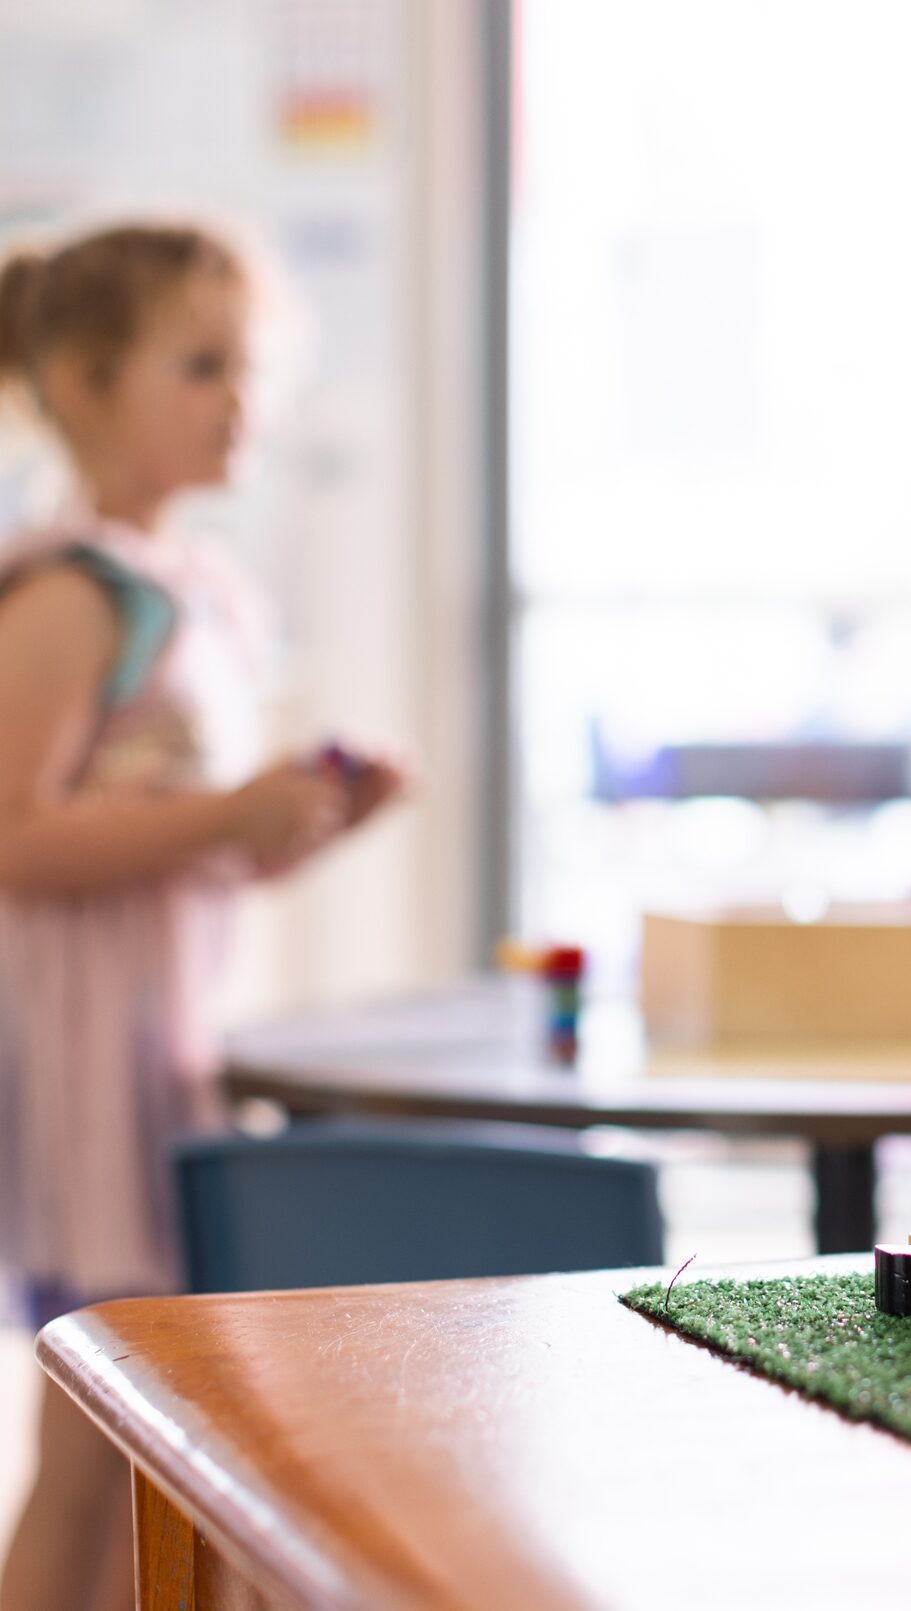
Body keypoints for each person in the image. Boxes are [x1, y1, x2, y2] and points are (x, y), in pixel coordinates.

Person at [0, 223, 407, 1611]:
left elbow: (186, 856)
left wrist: (300, 822)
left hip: (160, 1031)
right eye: (200, 366)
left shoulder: (194, 591)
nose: (241, 400)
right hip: (77, 1061)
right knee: (99, 1437)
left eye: (250, 368)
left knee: (147, 1433)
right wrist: (229, 813)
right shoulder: (71, 592)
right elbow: (16, 836)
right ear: (83, 377)